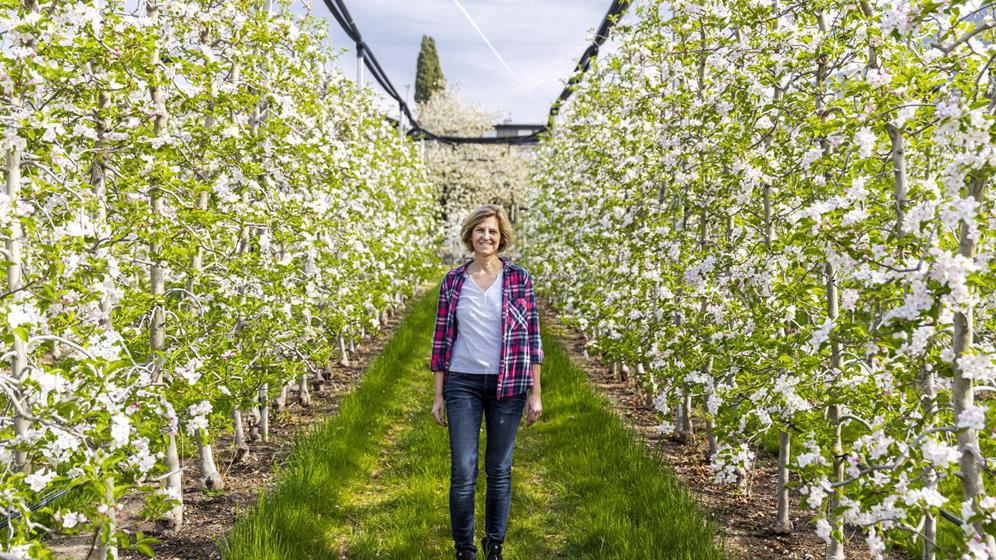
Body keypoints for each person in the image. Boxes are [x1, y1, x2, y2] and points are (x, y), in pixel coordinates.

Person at [430, 204, 544, 560]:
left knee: (499, 469)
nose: (486, 237)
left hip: (507, 385)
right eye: (480, 230)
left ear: (501, 237)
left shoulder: (519, 279)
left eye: (492, 231)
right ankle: (464, 550)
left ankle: (494, 545)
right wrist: (438, 395)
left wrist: (535, 393)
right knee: (463, 470)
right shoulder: (453, 281)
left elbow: (532, 339)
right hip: (462, 383)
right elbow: (440, 341)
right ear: (470, 236)